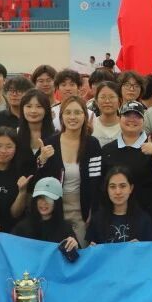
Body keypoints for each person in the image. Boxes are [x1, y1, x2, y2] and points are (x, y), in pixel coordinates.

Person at [100, 100, 152, 237]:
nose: (132, 120)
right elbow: (102, 185)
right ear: (119, 118)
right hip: (116, 217)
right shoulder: (108, 150)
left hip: (148, 215)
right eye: (127, 115)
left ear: (143, 120)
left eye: (137, 116)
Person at [53, 96, 102, 245]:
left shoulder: (92, 144)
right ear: (61, 116)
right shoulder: (51, 143)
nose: (72, 117)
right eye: (68, 112)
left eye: (77, 112)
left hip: (82, 211)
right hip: (55, 210)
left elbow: (96, 181)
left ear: (85, 116)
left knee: (81, 251)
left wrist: (92, 211)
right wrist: (41, 160)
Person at [86, 165, 152, 244]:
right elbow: (90, 248)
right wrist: (91, 248)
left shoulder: (144, 219)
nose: (118, 192)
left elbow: (151, 249)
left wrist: (141, 247)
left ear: (131, 188)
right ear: (107, 189)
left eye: (122, 186)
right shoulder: (96, 219)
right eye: (112, 187)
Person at [13, 177, 79, 253]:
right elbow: (10, 249)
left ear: (57, 202)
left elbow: (77, 257)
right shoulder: (22, 227)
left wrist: (75, 245)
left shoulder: (65, 228)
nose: (44, 202)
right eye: (40, 197)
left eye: (49, 198)